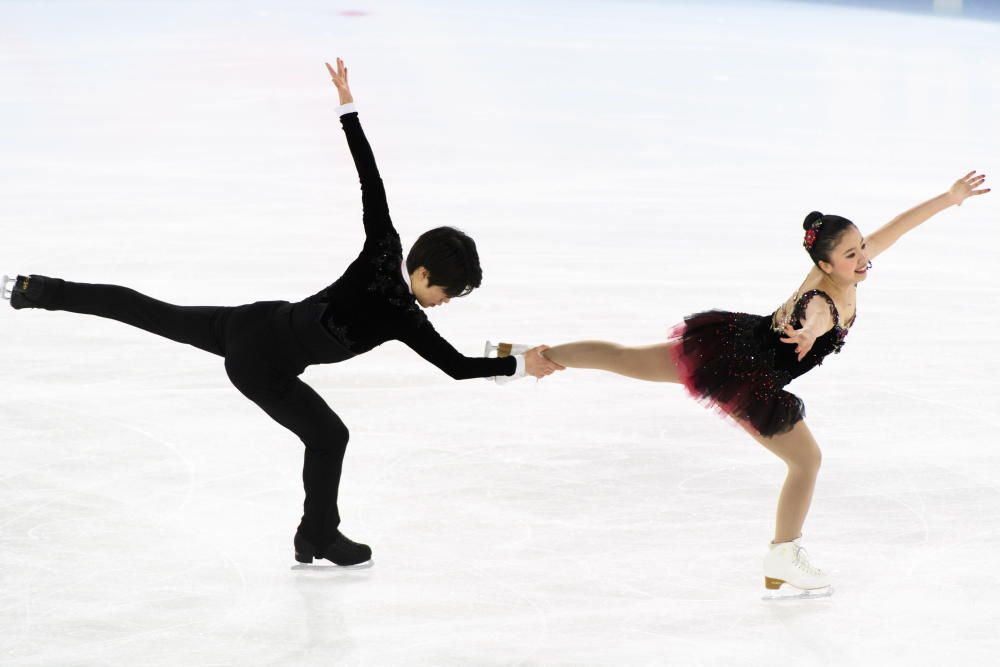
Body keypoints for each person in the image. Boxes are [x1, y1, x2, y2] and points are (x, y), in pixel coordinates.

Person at [3, 57, 565, 568]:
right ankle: (317, 535)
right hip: (259, 363)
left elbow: (371, 180)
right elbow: (458, 367)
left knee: (147, 310)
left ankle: (31, 289)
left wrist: (349, 107)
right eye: (448, 292)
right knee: (329, 438)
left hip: (254, 321)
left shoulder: (385, 250)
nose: (445, 304)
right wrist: (519, 366)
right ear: (423, 275)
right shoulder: (404, 316)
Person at [509, 172, 989, 595]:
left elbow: (896, 230)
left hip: (733, 347)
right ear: (825, 265)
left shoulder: (846, 266)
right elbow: (817, 314)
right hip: (745, 372)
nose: (864, 257)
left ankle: (526, 358)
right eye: (851, 253)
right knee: (806, 461)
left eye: (861, 246)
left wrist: (949, 198)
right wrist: (810, 331)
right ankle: (783, 556)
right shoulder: (821, 296)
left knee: (627, 358)